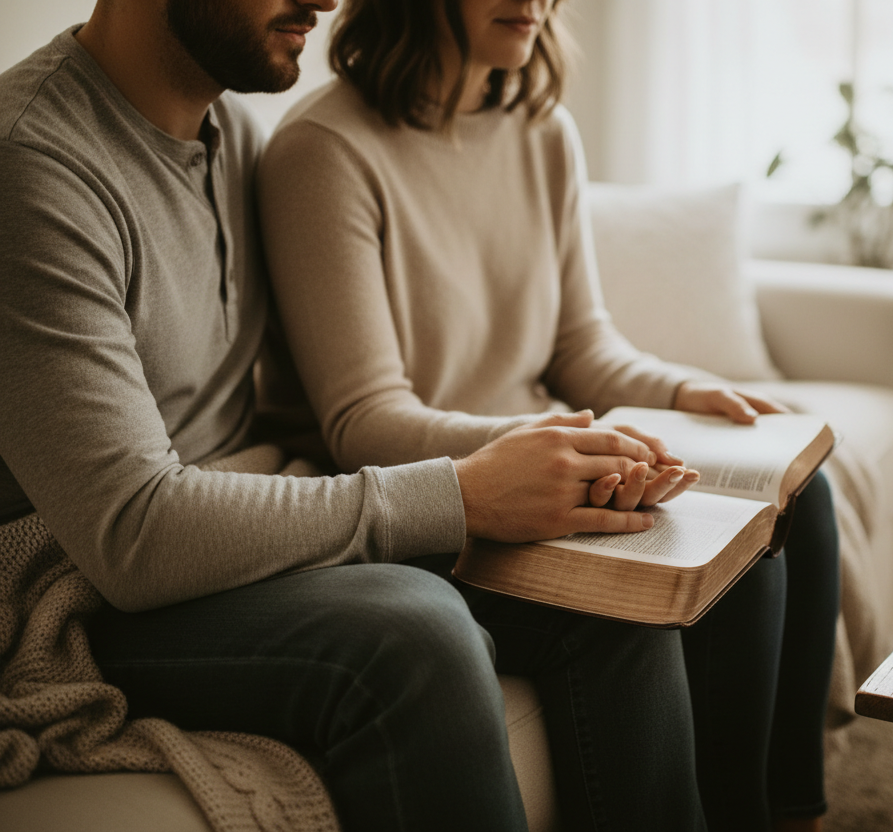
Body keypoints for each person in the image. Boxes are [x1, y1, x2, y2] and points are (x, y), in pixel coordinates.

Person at [0, 1, 710, 830]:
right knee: (417, 638)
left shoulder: (234, 136)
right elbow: (132, 534)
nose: (329, 1)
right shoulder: (32, 167)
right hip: (87, 591)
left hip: (243, 530)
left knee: (607, 587)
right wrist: (461, 492)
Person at [257, 1, 842, 829]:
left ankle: (777, 814)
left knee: (797, 497)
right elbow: (365, 420)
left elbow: (579, 344)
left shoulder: (542, 129)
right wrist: (560, 449)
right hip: (440, 487)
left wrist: (681, 390)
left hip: (537, 446)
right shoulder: (322, 151)